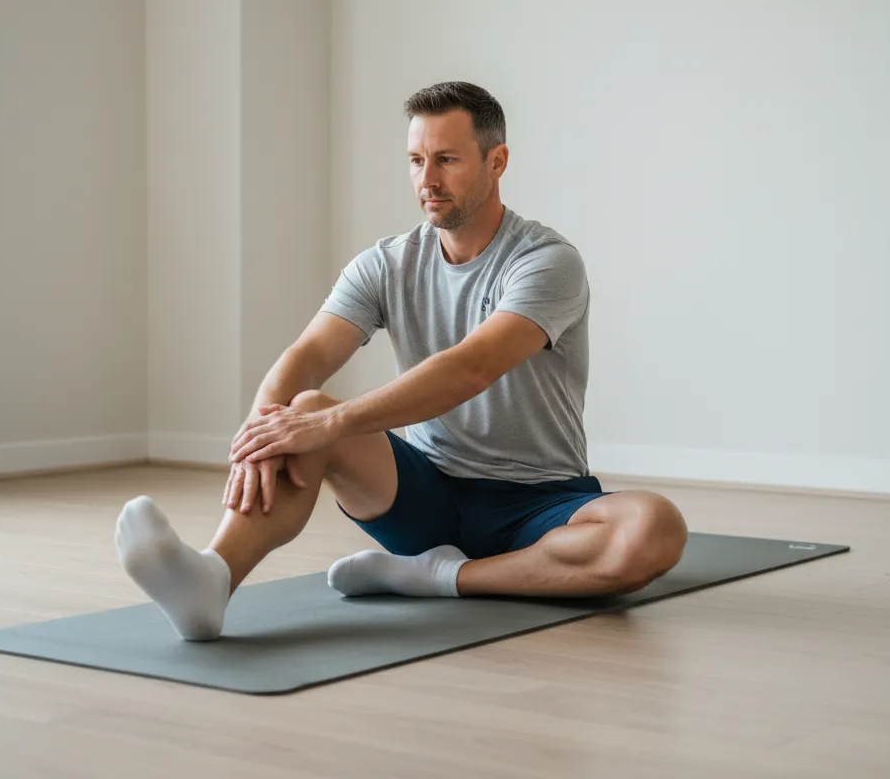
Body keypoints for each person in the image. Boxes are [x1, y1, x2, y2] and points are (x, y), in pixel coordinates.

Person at [115, 81, 688, 641]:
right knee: (300, 406)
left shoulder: (547, 262)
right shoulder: (385, 263)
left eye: (446, 160)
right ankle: (212, 579)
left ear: (497, 161)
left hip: (539, 502)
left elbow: (472, 367)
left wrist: (326, 422)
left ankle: (436, 577)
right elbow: (309, 355)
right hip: (424, 494)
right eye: (415, 161)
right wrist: (257, 436)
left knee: (653, 530)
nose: (427, 180)